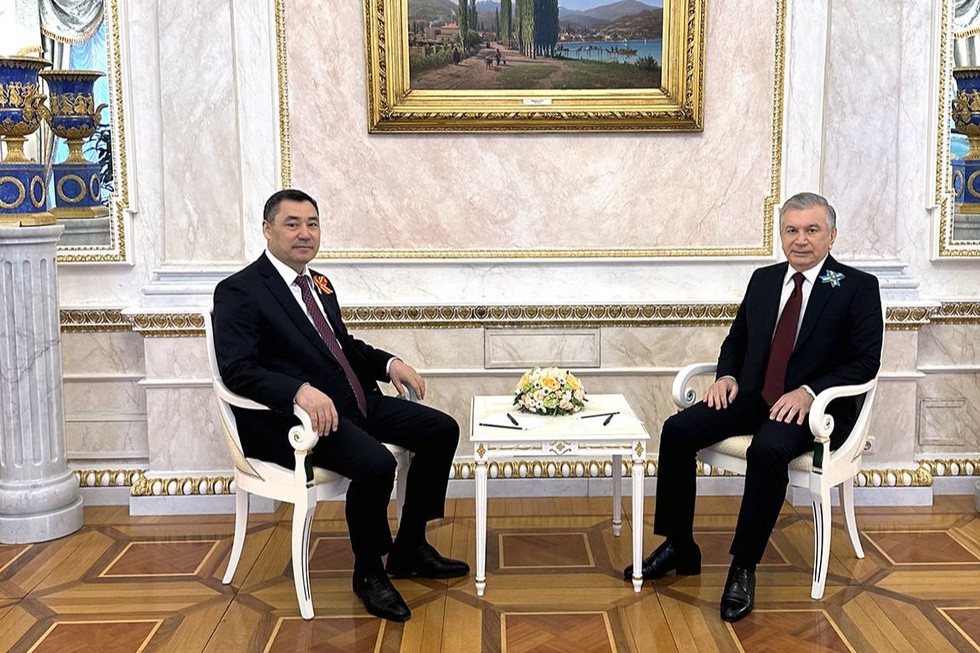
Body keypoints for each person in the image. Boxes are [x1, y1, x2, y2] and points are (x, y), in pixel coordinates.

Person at [624, 192, 882, 623]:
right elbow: (737, 340)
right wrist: (726, 376)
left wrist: (809, 392)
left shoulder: (857, 287)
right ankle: (679, 545)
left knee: (767, 450)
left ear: (832, 235)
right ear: (781, 235)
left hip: (813, 411)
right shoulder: (764, 279)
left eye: (812, 230)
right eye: (792, 230)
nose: (801, 239)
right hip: (753, 397)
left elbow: (864, 361)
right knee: (677, 430)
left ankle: (743, 567)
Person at [212, 189, 468, 623]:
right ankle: (368, 571)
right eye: (292, 223)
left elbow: (341, 346)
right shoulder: (240, 290)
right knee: (376, 464)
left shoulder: (318, 284)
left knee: (441, 430)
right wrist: (298, 391)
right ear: (267, 230)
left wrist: (389, 363)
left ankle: (410, 547)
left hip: (352, 402)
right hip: (295, 422)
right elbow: (237, 370)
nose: (305, 233)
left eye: (312, 224)